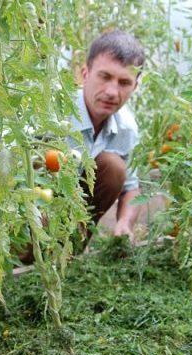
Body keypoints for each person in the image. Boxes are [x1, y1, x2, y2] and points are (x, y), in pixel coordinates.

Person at [69, 30, 144, 241]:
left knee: (114, 167)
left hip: (73, 218)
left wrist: (124, 223)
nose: (112, 91)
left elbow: (131, 187)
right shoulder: (54, 114)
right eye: (105, 77)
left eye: (124, 82)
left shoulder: (126, 129)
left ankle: (74, 247)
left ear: (135, 86)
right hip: (30, 214)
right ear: (85, 74)